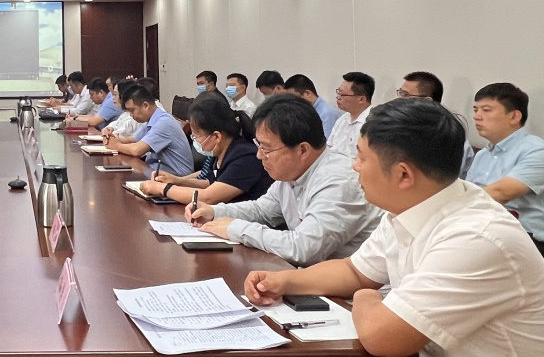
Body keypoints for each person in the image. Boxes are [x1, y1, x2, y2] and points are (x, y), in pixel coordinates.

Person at [245, 98, 544, 357]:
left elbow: (382, 337)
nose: (354, 166)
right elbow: (354, 272)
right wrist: (283, 281)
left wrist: (367, 296)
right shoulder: (411, 207)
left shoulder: (475, 237)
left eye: (362, 157)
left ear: (403, 175)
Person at [187, 94, 380, 266]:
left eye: (266, 149)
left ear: (302, 150)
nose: (259, 155)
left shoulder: (338, 181)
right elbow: (262, 210)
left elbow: (304, 248)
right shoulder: (292, 173)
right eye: (259, 146)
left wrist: (234, 228)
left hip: (350, 291)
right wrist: (214, 212)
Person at [140, 94, 272, 205]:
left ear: (216, 136)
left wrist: (163, 189)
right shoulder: (222, 151)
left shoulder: (245, 157)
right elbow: (211, 183)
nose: (194, 139)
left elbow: (208, 197)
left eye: (196, 135)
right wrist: (177, 181)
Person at [467, 82, 544, 253]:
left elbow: (501, 193)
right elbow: (469, 193)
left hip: (527, 239)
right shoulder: (482, 155)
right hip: (485, 231)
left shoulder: (537, 151)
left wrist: (449, 202)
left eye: (486, 110)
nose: (477, 116)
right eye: (475, 110)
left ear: (514, 116)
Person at [397, 71, 476, 178]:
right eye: (400, 93)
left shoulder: (448, 134)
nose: (399, 99)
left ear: (426, 101)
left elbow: (445, 179)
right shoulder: (398, 124)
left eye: (405, 95)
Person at [106, 85, 193, 176]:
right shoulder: (152, 120)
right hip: (156, 172)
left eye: (132, 110)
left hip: (176, 178)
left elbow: (137, 150)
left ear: (145, 106)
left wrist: (116, 145)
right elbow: (131, 140)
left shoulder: (164, 122)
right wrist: (112, 139)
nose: (131, 115)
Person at [328, 71, 374, 156]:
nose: (338, 97)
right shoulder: (342, 119)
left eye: (343, 94)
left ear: (361, 99)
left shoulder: (374, 123)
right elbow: (329, 148)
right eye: (338, 92)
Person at [284, 73, 341, 138]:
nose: (291, 103)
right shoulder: (306, 112)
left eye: (293, 98)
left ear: (307, 94)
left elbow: (326, 142)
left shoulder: (327, 114)